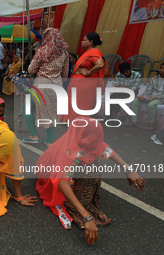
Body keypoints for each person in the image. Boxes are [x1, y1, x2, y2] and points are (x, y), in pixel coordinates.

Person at [36, 117, 145, 245]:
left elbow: (104, 148)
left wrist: (127, 169)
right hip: (48, 176)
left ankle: (79, 197)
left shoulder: (78, 135)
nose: (94, 143)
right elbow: (61, 181)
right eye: (90, 140)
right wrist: (86, 215)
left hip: (62, 170)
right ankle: (72, 205)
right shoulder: (70, 152)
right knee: (91, 165)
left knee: (93, 159)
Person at [23, 28, 69, 147]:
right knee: (52, 113)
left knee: (27, 107)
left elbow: (31, 70)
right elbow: (65, 74)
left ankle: (34, 135)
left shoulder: (42, 51)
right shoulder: (64, 53)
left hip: (41, 85)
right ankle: (49, 141)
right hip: (57, 86)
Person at [61, 33, 105, 122]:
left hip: (84, 84)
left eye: (84, 40)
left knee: (80, 105)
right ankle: (74, 123)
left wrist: (89, 72)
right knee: (76, 103)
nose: (82, 42)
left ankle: (79, 124)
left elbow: (100, 64)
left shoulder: (94, 52)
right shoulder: (89, 52)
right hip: (79, 83)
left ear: (91, 42)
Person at [130, 62, 164, 130]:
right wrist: (144, 96)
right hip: (151, 96)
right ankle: (134, 121)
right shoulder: (154, 78)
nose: (162, 70)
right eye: (161, 68)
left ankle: (152, 124)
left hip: (161, 98)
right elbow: (149, 89)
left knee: (151, 104)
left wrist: (154, 98)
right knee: (135, 101)